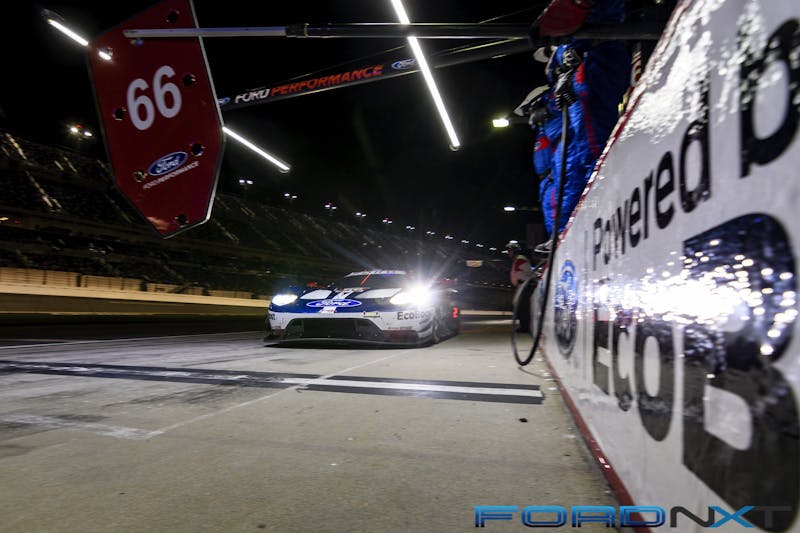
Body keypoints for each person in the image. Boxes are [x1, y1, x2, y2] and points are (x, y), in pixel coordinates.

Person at [523, 0, 632, 254]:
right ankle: (577, 228)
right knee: (579, 161)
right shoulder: (567, 62)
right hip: (585, 67)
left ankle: (601, 216)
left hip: (592, 62)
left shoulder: (584, 53)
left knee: (591, 154)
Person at [505, 240, 534, 332]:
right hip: (521, 286)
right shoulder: (517, 260)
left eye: (510, 251)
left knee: (523, 307)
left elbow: (529, 273)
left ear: (515, 251)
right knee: (519, 306)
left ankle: (525, 327)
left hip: (525, 286)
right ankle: (523, 326)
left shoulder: (520, 259)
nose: (508, 253)